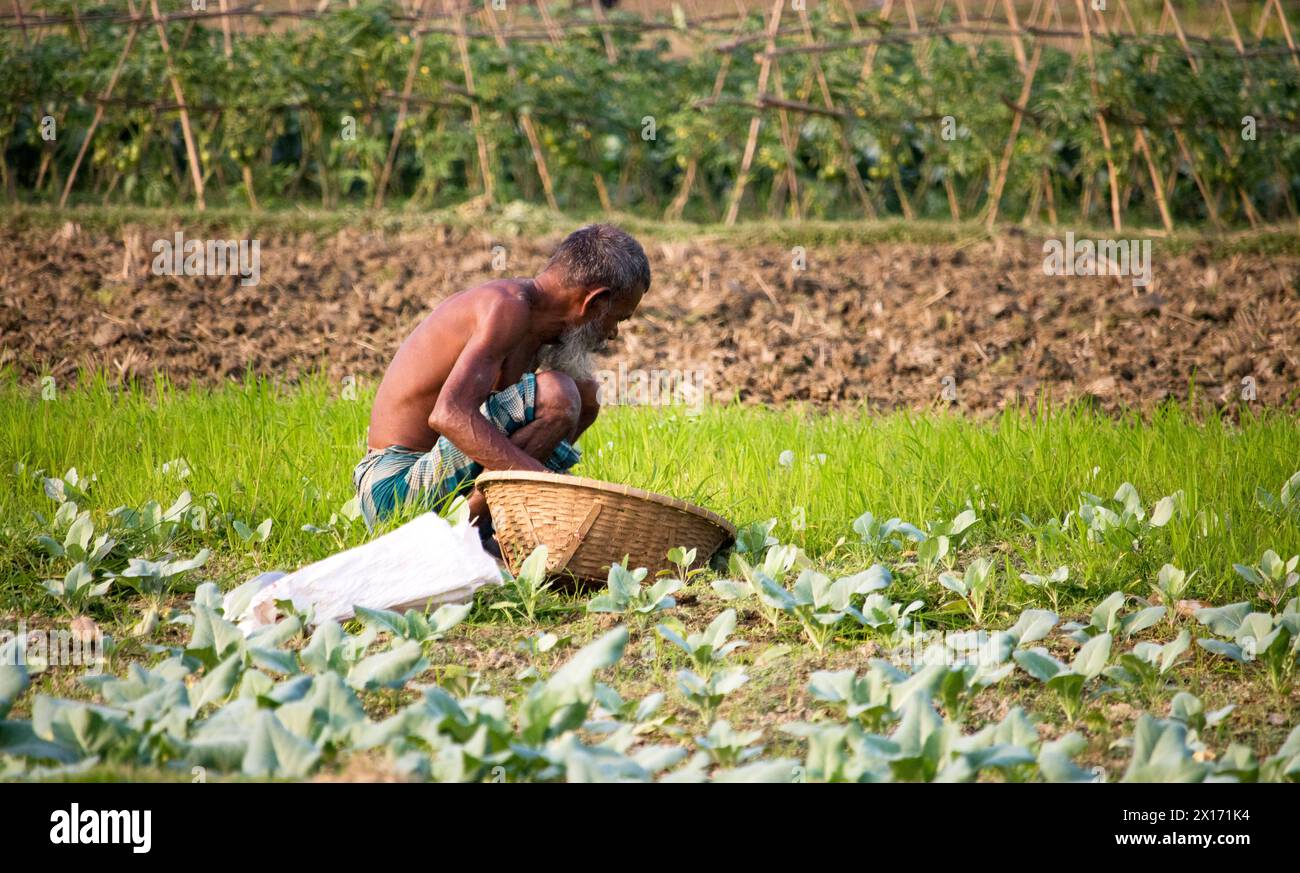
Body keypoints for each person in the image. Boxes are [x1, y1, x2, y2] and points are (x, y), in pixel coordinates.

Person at [354, 224, 650, 551]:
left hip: (436, 481)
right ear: (594, 302)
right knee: (557, 396)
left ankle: (488, 534)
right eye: (619, 318)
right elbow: (448, 415)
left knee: (585, 394)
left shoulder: (540, 329)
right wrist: (551, 489)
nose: (614, 334)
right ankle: (462, 537)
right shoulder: (506, 307)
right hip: (393, 492)